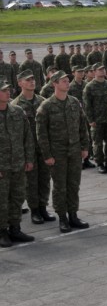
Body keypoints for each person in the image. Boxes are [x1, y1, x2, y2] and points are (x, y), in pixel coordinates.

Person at [36, 71, 90, 234]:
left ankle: (73, 215)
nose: (67, 83)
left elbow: (82, 126)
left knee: (73, 184)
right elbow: (41, 134)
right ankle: (63, 218)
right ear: (54, 84)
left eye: (68, 80)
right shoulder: (46, 107)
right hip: (57, 154)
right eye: (64, 81)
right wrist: (47, 155)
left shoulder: (74, 102)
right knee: (60, 187)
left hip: (74, 151)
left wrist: (85, 147)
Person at [12, 70, 54, 225]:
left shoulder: (42, 101)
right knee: (31, 182)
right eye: (28, 80)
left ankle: (43, 207)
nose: (32, 82)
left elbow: (49, 126)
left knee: (44, 179)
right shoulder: (15, 105)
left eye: (33, 79)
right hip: (27, 151)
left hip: (42, 148)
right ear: (20, 83)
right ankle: (34, 210)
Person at [0, 80, 35, 247]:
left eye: (8, 90)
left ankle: (15, 228)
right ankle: (2, 231)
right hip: (2, 167)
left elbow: (27, 137)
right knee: (2, 199)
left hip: (18, 164)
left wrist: (28, 159)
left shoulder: (18, 112)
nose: (7, 93)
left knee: (17, 197)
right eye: (3, 90)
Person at [83, 65, 107, 173]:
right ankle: (99, 163)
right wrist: (91, 120)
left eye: (103, 69)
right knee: (97, 144)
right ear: (94, 72)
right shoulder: (89, 87)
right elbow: (87, 106)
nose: (102, 71)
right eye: (99, 70)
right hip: (97, 120)